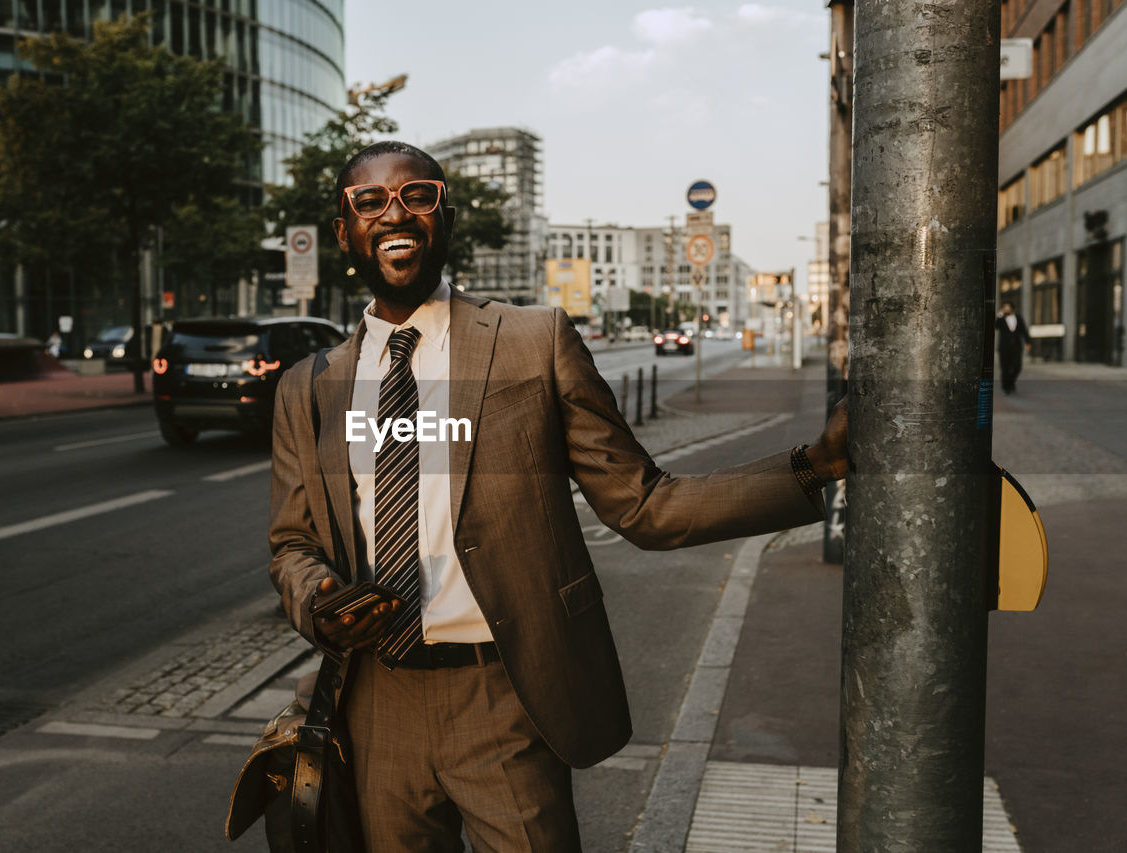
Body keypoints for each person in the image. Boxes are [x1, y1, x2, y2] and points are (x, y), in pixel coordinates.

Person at [267, 140, 849, 851]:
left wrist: (812, 468)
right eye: (370, 201)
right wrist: (318, 599)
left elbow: (645, 503)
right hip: (375, 702)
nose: (397, 213)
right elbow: (291, 543)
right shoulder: (308, 387)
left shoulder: (533, 341)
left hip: (504, 696)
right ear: (343, 230)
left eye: (418, 195)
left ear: (445, 215)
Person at [996, 301, 1031, 394]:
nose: (1006, 310)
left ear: (1012, 309)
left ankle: (1010, 382)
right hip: (1004, 347)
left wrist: (1028, 342)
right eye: (1005, 308)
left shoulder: (1018, 318)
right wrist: (999, 315)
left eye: (1008, 308)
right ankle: (1006, 387)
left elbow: (1024, 330)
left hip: (1016, 347)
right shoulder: (1001, 319)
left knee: (1017, 366)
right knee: (1005, 368)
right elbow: (995, 326)